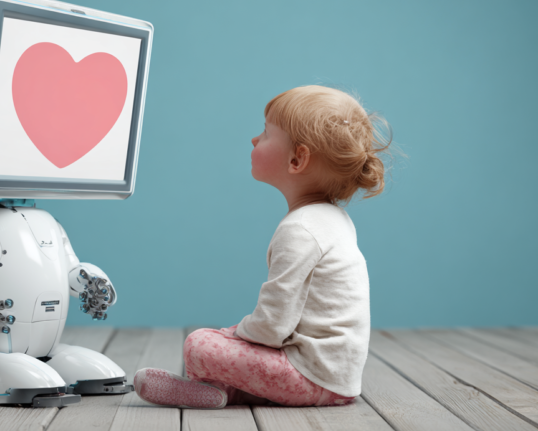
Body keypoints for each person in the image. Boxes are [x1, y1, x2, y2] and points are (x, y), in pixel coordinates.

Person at [134, 85, 392, 408]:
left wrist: (233, 334)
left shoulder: (300, 229)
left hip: (310, 378)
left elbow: (272, 326)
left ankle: (216, 389)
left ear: (297, 159)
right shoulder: (334, 219)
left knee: (199, 344)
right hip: (337, 378)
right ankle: (217, 393)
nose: (255, 139)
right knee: (230, 339)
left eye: (266, 133)